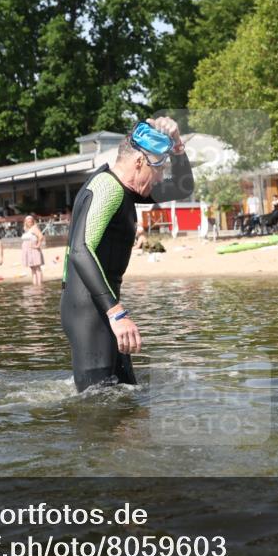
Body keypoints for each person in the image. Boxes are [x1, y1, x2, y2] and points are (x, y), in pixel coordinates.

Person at [60, 117, 193, 392]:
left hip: (102, 306)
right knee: (98, 404)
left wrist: (177, 143)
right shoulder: (107, 187)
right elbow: (81, 250)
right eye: (159, 169)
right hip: (89, 309)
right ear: (139, 162)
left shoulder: (126, 191)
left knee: (125, 394)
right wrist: (116, 313)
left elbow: (182, 187)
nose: (161, 177)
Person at [20, 215, 45, 286]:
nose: (29, 223)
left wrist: (38, 245)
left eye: (30, 222)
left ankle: (39, 285)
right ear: (25, 222)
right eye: (28, 222)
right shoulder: (27, 229)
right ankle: (35, 285)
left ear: (33, 222)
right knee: (32, 268)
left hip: (33, 250)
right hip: (28, 251)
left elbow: (41, 236)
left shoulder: (34, 228)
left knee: (37, 268)